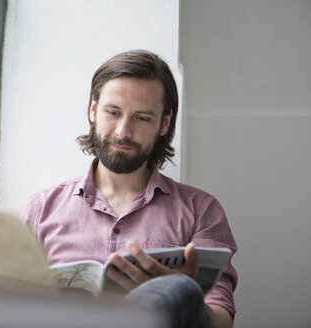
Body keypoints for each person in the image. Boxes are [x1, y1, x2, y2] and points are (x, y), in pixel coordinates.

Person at [18, 50, 237, 328]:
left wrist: (180, 296)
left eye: (142, 118)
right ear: (93, 110)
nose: (123, 131)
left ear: (164, 123)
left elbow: (221, 321)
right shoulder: (39, 212)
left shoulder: (201, 211)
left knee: (181, 290)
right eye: (113, 112)